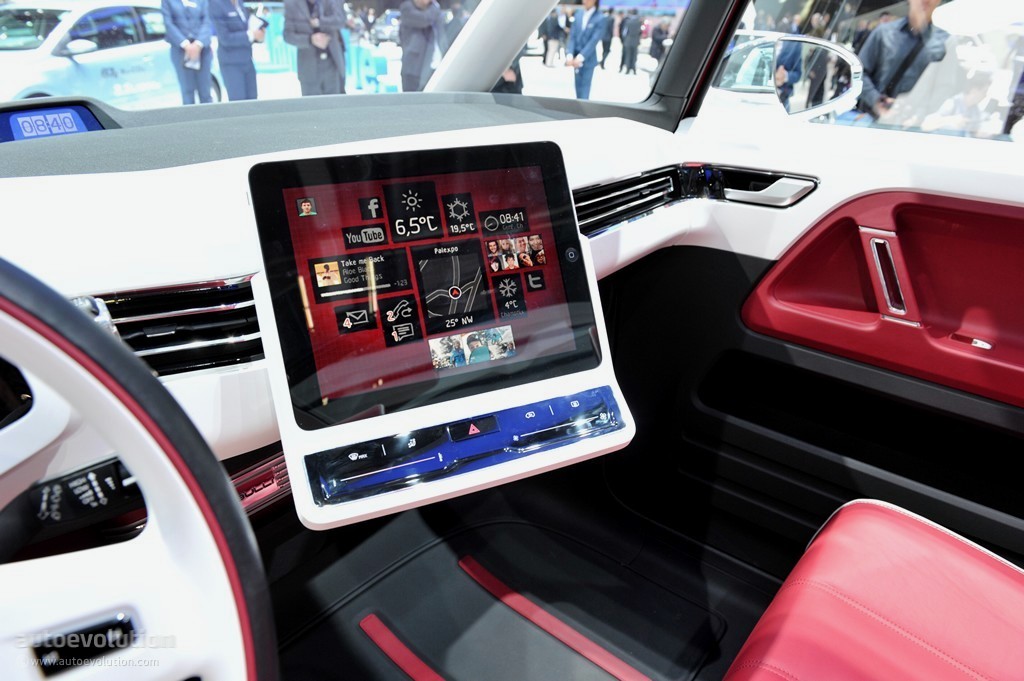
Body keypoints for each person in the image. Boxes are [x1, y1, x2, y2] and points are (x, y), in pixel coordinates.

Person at [855, 0, 948, 121]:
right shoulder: (883, 32)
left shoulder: (945, 42)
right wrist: (876, 101)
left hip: (915, 124)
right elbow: (859, 73)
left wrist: (919, 114)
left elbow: (945, 87)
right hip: (876, 120)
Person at [284, 0, 347, 96]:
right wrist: (310, 39)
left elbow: (341, 21)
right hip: (308, 66)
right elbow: (288, 36)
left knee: (335, 103)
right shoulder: (292, 4)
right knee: (312, 104)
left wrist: (320, 22)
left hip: (332, 64)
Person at [209, 0, 265, 101]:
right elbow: (225, 38)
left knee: (253, 100)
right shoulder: (216, 4)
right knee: (238, 101)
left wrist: (258, 35)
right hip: (231, 62)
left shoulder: (239, 3)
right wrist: (251, 35)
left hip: (247, 59)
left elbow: (246, 27)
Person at [161, 0, 214, 105]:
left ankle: (208, 115)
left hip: (202, 50)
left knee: (206, 92)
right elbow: (168, 24)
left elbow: (207, 21)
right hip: (180, 50)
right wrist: (186, 44)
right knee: (187, 92)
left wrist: (198, 44)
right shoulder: (168, 2)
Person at [399, 0, 448, 92]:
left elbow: (442, 34)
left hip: (434, 65)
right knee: (412, 97)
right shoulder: (407, 8)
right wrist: (435, 7)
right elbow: (424, 20)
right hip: (413, 69)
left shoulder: (433, 11)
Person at [565, 0, 608, 101]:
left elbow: (594, 40)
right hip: (575, 58)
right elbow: (572, 36)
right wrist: (570, 55)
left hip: (588, 59)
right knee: (577, 89)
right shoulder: (578, 14)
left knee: (584, 91)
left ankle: (583, 110)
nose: (585, 1)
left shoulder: (600, 18)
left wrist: (580, 57)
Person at [618, 9, 640, 75]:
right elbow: (640, 31)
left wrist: (623, 39)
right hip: (635, 40)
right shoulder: (639, 22)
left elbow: (624, 32)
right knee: (634, 55)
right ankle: (633, 68)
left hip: (628, 40)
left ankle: (627, 69)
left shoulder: (628, 21)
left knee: (628, 55)